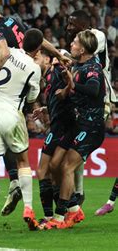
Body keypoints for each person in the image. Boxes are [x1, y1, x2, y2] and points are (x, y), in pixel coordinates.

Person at [0, 0, 69, 216]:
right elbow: (38, 39)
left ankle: (16, 183)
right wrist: (57, 54)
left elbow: (4, 52)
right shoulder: (12, 20)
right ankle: (19, 187)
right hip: (27, 78)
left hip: (18, 82)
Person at [0, 28, 43, 232]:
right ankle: (28, 209)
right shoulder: (35, 68)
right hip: (11, 112)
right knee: (23, 161)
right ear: (38, 48)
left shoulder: (9, 51)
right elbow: (32, 99)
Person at [45, 30, 106, 229]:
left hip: (92, 127)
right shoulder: (78, 65)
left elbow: (93, 90)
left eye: (75, 42)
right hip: (80, 125)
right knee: (56, 165)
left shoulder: (93, 68)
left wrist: (71, 84)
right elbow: (74, 96)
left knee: (66, 167)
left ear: (83, 49)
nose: (71, 44)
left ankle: (61, 217)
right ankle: (70, 212)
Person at [64, 10, 116, 206]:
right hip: (84, 99)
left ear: (84, 25)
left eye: (72, 24)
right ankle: (77, 192)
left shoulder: (97, 36)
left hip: (97, 100)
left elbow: (85, 51)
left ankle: (77, 194)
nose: (69, 28)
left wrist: (60, 55)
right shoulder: (78, 46)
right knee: (76, 148)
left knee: (77, 147)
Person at [32, 50, 76, 227]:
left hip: (64, 126)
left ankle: (60, 213)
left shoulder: (57, 70)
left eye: (36, 58)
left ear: (47, 59)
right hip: (57, 125)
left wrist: (64, 66)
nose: (33, 61)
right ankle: (66, 209)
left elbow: (70, 87)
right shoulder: (47, 78)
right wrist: (45, 108)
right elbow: (58, 98)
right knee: (49, 169)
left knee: (49, 169)